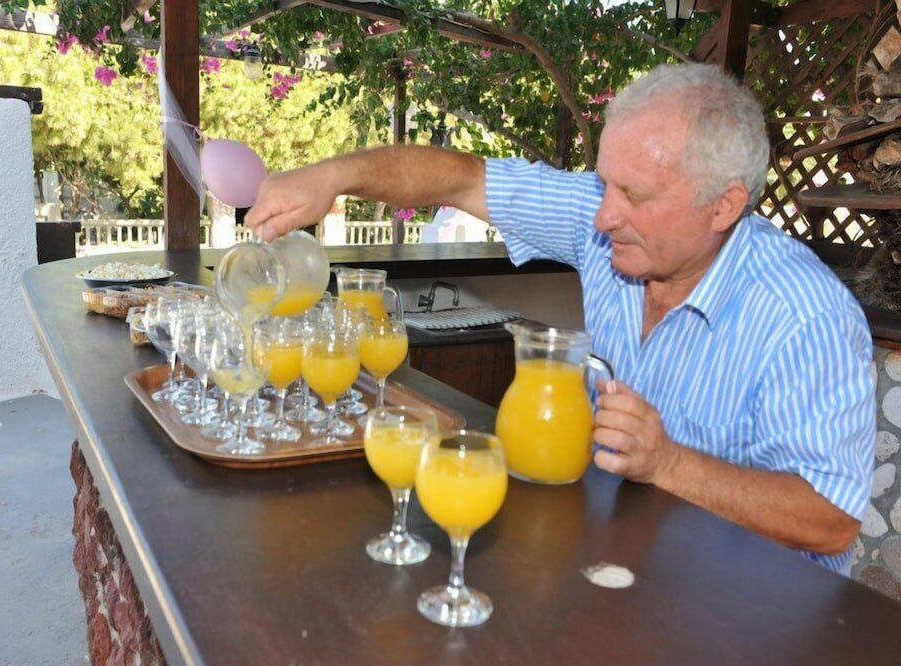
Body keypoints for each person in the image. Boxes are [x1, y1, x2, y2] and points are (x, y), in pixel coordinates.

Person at [245, 63, 875, 573]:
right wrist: (332, 175)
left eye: (635, 196)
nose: (602, 217)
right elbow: (457, 179)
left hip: (752, 614)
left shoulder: (803, 315)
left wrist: (670, 464)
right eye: (605, 185)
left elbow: (830, 519)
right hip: (617, 561)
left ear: (724, 206)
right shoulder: (602, 224)